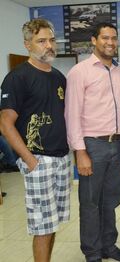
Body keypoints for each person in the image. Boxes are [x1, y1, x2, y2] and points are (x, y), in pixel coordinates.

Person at [0, 18, 71, 262]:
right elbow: (5, 124)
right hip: (38, 161)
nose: (49, 45)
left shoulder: (59, 77)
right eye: (41, 41)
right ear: (27, 45)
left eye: (51, 40)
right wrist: (30, 161)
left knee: (52, 224)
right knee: (42, 227)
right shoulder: (17, 78)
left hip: (61, 159)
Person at [65, 22, 120, 262]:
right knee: (90, 203)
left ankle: (109, 247)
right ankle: (93, 254)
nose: (110, 42)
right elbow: (72, 114)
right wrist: (79, 151)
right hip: (92, 146)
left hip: (119, 144)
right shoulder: (79, 72)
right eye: (105, 38)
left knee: (112, 199)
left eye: (114, 38)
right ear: (94, 40)